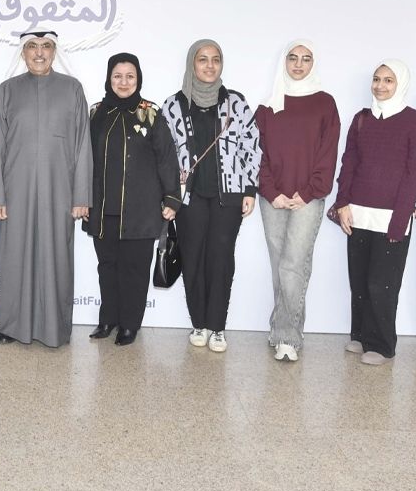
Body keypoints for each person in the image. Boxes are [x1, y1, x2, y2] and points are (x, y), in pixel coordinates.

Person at [0, 30, 92, 347]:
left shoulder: (73, 89)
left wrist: (81, 196)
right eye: (32, 47)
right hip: (16, 188)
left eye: (46, 46)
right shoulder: (8, 90)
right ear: (23, 53)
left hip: (60, 189)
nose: (39, 53)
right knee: (15, 255)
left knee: (56, 256)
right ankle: (12, 326)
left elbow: (82, 145)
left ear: (54, 52)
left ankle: (54, 328)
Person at [160, 40, 260, 353]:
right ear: (192, 63)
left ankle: (217, 327)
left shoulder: (236, 103)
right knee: (192, 260)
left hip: (227, 196)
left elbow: (251, 146)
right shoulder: (173, 105)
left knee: (221, 260)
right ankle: (199, 323)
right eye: (203, 59)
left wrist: (249, 189)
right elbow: (163, 155)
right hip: (188, 199)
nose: (210, 65)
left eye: (215, 59)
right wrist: (169, 194)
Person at [328, 60, 416, 366]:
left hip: (391, 216)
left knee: (382, 284)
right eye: (376, 79)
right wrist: (342, 203)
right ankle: (360, 335)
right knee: (359, 281)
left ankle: (382, 344)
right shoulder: (361, 118)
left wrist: (400, 220)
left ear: (401, 84)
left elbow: (415, 173)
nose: (380, 86)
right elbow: (349, 163)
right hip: (357, 212)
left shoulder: (414, 121)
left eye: (388, 80)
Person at [85, 53, 180, 346]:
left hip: (140, 209)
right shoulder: (96, 113)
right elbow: (83, 159)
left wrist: (172, 198)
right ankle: (108, 319)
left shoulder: (150, 113)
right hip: (103, 208)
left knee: (134, 270)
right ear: (108, 79)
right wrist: (82, 198)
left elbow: (167, 158)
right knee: (107, 267)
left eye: (130, 76)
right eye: (117, 76)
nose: (123, 82)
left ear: (138, 79)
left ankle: (129, 325)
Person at [254, 39, 340, 362]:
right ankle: (281, 327)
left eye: (306, 58)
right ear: (284, 62)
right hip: (272, 198)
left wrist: (307, 192)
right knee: (280, 265)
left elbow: (328, 153)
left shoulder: (325, 104)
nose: (299, 64)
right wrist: (271, 192)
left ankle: (288, 336)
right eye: (293, 58)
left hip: (309, 198)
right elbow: (258, 154)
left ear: (313, 64)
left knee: (293, 264)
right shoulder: (267, 106)